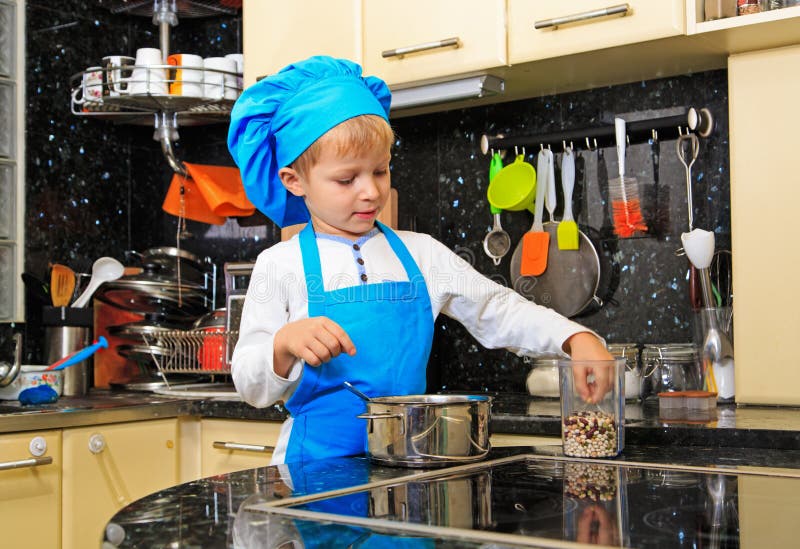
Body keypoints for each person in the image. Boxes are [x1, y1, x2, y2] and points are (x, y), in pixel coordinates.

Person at [227, 56, 613, 466]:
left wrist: (573, 338)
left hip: (407, 469)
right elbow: (250, 384)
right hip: (310, 477)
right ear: (294, 181)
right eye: (347, 179)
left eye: (380, 171)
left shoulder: (421, 253)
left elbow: (497, 308)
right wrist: (283, 345)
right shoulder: (280, 264)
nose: (371, 192)